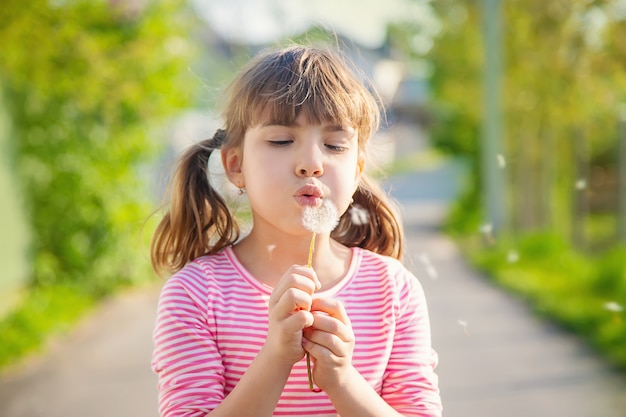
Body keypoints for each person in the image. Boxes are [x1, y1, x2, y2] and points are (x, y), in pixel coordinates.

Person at [150, 44, 442, 417]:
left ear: (357, 170)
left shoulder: (394, 291)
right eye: (281, 141)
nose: (311, 164)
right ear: (236, 165)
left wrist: (341, 379)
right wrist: (276, 357)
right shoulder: (196, 296)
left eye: (335, 145)